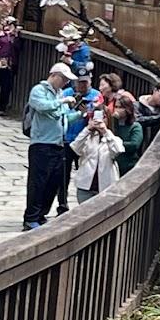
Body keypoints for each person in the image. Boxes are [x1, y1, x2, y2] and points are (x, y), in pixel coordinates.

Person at [22, 62, 77, 230]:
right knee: (38, 182)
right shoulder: (39, 91)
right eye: (64, 79)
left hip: (58, 144)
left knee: (54, 182)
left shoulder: (59, 94)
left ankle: (41, 214)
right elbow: (43, 107)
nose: (66, 83)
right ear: (54, 76)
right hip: (41, 144)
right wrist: (62, 101)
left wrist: (82, 114)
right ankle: (31, 217)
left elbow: (65, 117)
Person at [58, 71, 103, 214]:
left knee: (86, 172)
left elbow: (100, 114)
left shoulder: (96, 95)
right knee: (63, 174)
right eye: (79, 82)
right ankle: (62, 204)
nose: (82, 85)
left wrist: (88, 113)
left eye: (85, 82)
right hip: (66, 139)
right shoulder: (66, 93)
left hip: (85, 140)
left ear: (90, 81)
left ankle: (84, 203)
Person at [69, 105, 123, 203]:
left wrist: (106, 132)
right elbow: (75, 147)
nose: (99, 120)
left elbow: (118, 150)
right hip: (85, 187)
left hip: (106, 187)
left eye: (103, 117)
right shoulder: (87, 138)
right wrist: (87, 129)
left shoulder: (113, 138)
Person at [111, 93, 144, 176]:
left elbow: (134, 145)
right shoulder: (112, 124)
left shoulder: (135, 127)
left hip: (129, 165)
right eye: (116, 107)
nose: (117, 110)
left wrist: (116, 143)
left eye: (121, 107)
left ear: (128, 109)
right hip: (113, 165)